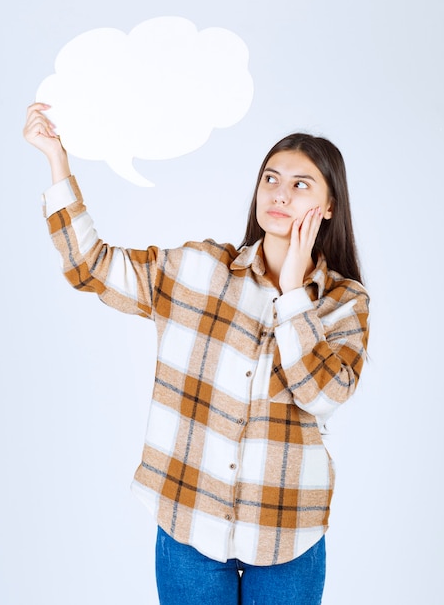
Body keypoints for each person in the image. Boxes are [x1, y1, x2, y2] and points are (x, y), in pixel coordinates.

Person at [23, 102, 370, 605]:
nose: (280, 193)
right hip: (189, 525)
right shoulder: (199, 271)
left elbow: (322, 396)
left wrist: (293, 292)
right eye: (270, 178)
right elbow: (90, 266)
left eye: (301, 184)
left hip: (288, 531)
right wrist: (57, 162)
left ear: (331, 205)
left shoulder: (344, 304)